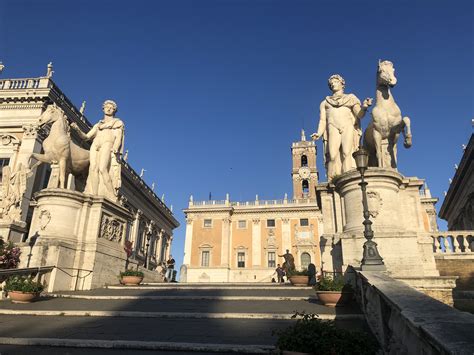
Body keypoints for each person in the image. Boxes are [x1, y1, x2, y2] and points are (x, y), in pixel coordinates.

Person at [311, 75, 372, 180]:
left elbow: (359, 115)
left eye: (335, 81)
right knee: (333, 155)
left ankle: (348, 180)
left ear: (342, 83)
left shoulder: (351, 98)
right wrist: (319, 133)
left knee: (346, 153)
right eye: (331, 83)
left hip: (347, 125)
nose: (333, 84)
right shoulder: (325, 103)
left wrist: (364, 107)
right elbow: (322, 120)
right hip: (332, 126)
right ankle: (332, 180)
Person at [71, 100, 124, 200]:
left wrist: (116, 148)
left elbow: (118, 137)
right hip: (95, 144)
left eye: (111, 108)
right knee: (93, 169)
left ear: (114, 110)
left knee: (103, 169)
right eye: (107, 107)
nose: (108, 109)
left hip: (107, 143)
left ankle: (112, 196)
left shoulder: (117, 123)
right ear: (103, 108)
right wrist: (77, 129)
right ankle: (93, 195)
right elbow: (86, 137)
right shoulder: (98, 125)